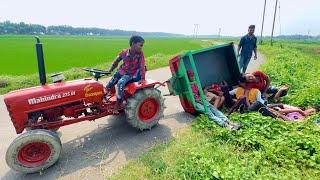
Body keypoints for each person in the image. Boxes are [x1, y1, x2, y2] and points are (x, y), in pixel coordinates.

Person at [105, 35, 145, 113]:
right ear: (133, 44)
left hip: (130, 74)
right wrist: (110, 69)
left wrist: (142, 78)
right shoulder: (124, 52)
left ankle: (118, 104)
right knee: (110, 83)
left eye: (142, 46)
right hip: (121, 71)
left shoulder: (140, 54)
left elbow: (142, 66)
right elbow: (116, 61)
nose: (141, 47)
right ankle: (103, 98)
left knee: (120, 83)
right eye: (140, 45)